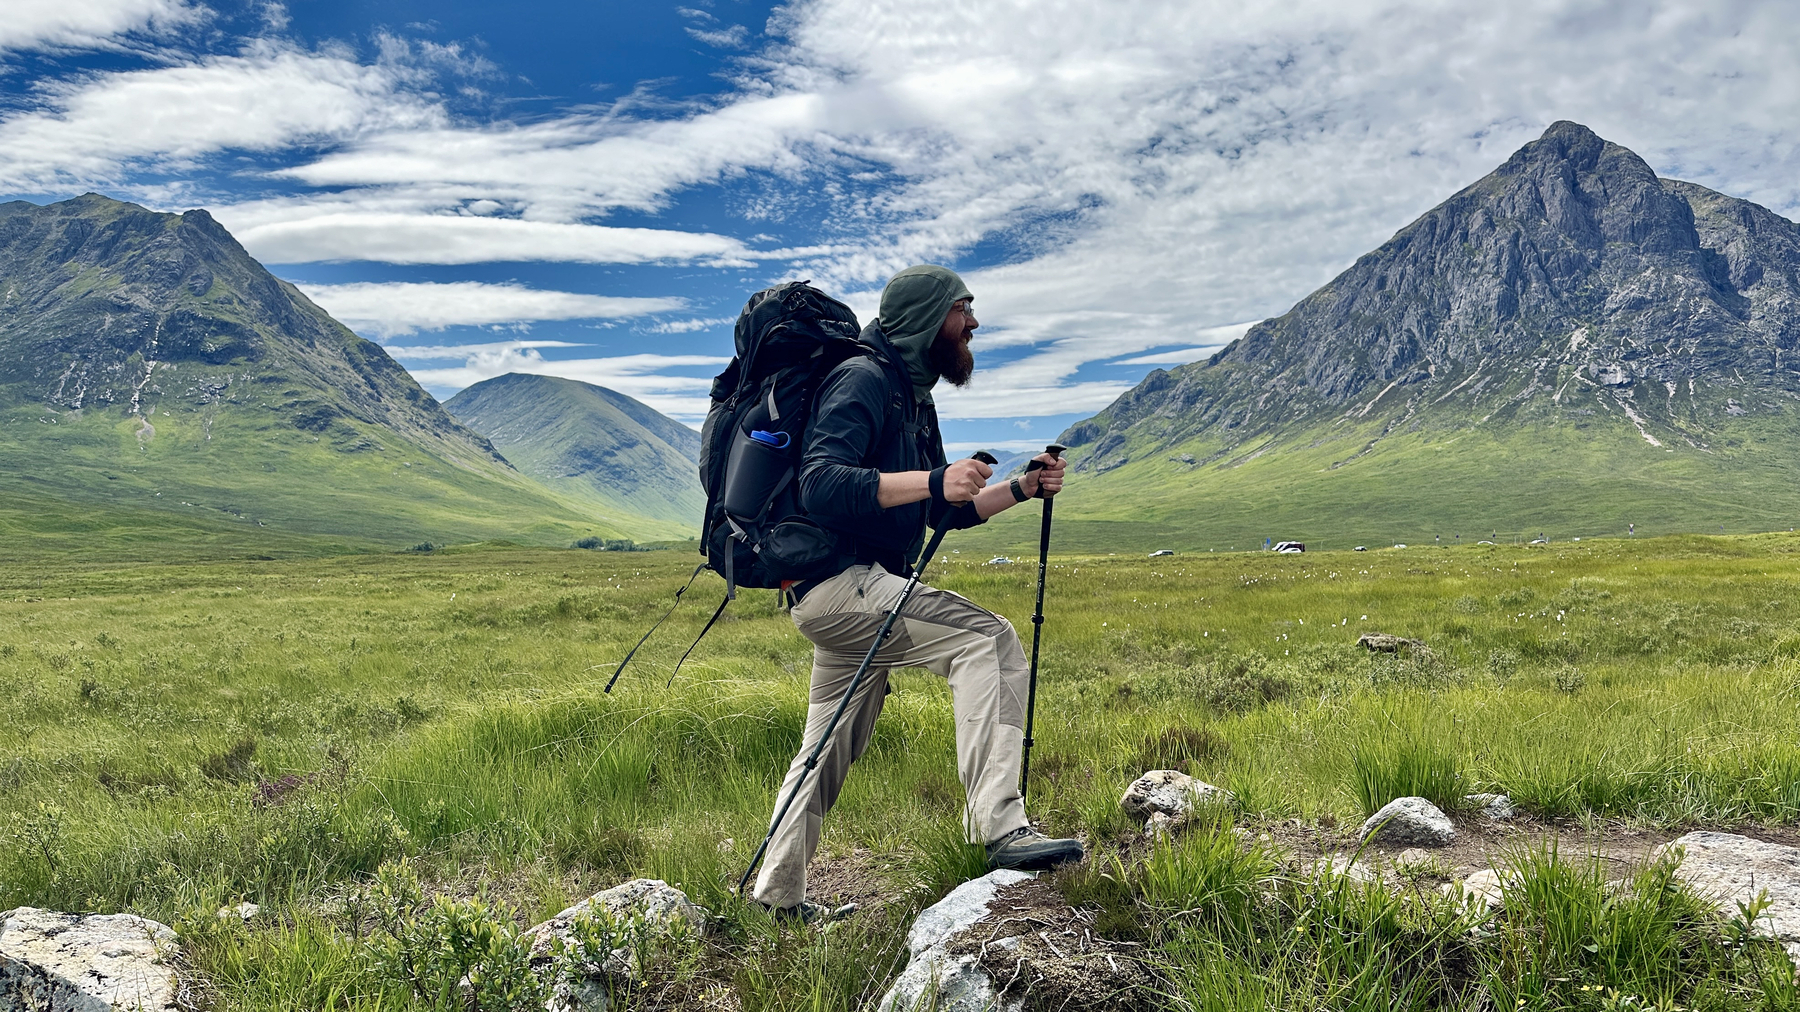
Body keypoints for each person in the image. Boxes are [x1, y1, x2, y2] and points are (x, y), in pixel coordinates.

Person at [751, 265, 1083, 922]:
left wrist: (1016, 489)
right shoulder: (863, 379)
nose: (974, 324)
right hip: (847, 589)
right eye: (965, 308)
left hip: (848, 597)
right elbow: (821, 483)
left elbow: (943, 510)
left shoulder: (910, 393)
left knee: (825, 747)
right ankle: (1000, 828)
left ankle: (777, 897)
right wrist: (932, 479)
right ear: (930, 316)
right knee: (987, 639)